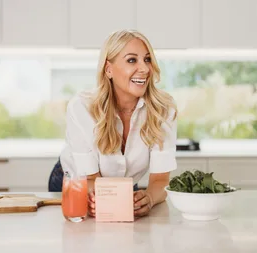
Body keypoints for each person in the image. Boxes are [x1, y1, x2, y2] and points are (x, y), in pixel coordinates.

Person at [48, 30, 178, 217]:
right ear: (108, 69)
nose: (145, 69)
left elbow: (160, 180)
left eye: (147, 60)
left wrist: (148, 198)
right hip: (77, 181)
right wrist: (106, 200)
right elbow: (91, 179)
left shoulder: (163, 109)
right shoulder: (82, 107)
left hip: (123, 186)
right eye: (132, 60)